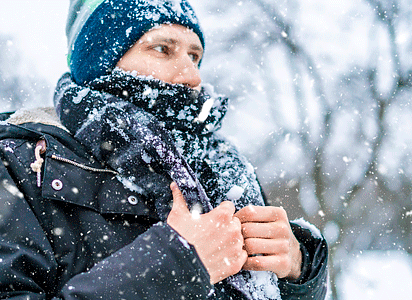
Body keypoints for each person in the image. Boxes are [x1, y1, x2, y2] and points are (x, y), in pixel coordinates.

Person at [0, 0, 328, 299]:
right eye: (162, 48)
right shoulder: (20, 162)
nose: (192, 76)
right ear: (102, 60)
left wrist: (298, 270)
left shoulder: (221, 166)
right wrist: (175, 266)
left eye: (194, 56)